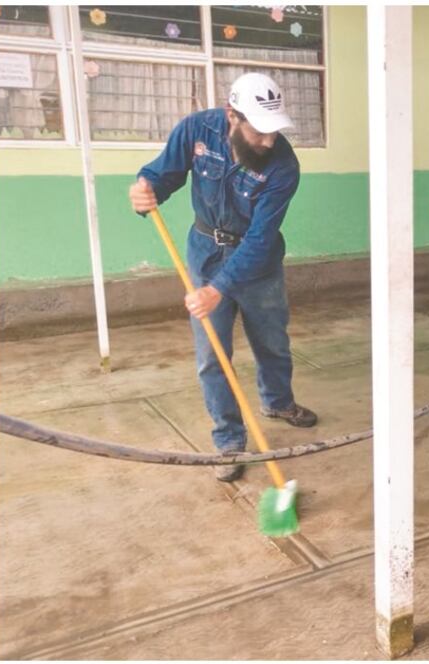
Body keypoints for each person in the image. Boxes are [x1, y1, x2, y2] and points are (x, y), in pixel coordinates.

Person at [128, 72, 318, 483]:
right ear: (232, 115)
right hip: (204, 251)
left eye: (275, 131)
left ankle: (277, 402)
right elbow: (164, 174)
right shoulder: (197, 130)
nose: (269, 141)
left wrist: (220, 288)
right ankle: (229, 439)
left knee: (272, 341)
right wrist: (145, 193)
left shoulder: (283, 166)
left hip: (258, 261)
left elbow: (260, 238)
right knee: (213, 355)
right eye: (260, 131)